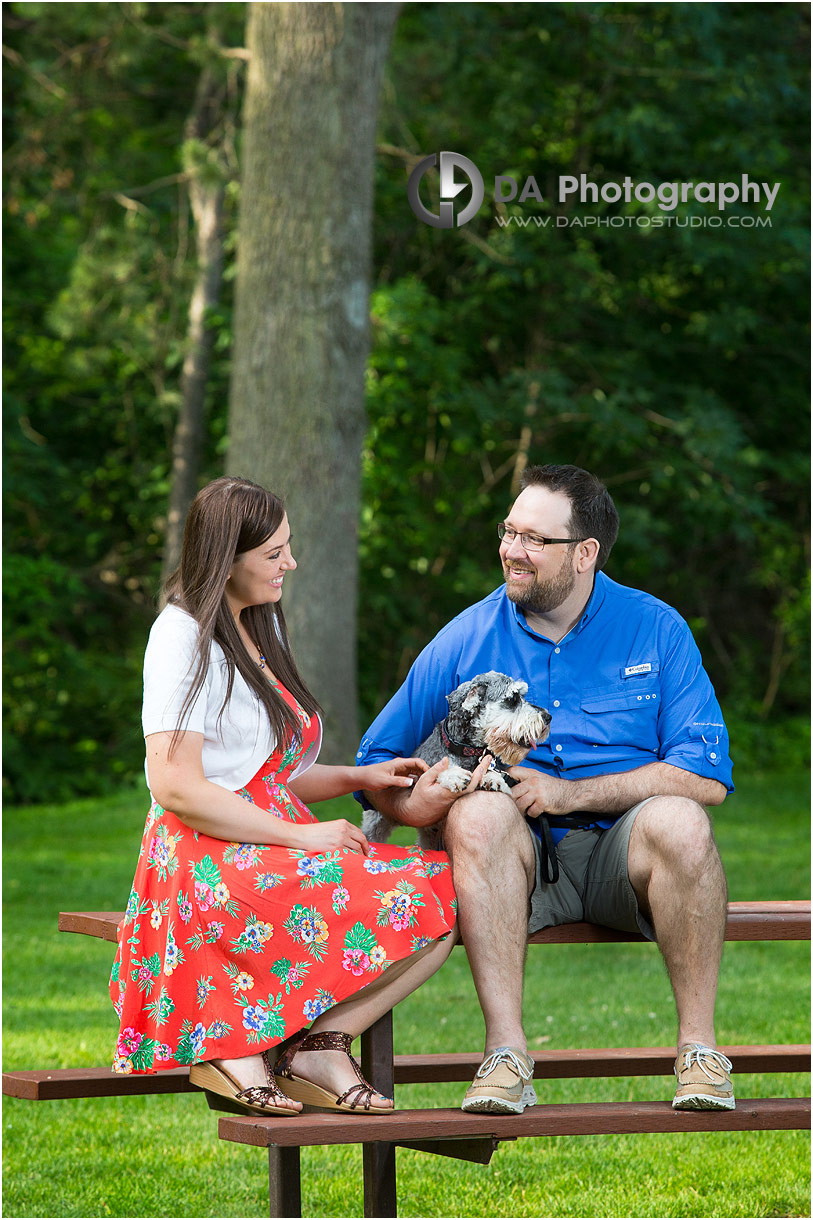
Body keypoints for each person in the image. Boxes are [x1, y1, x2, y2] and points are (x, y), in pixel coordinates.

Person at [356, 463, 735, 1116]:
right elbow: (376, 766)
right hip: (513, 860)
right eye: (508, 532)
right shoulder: (467, 635)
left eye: (534, 539)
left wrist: (566, 794)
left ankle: (699, 1054)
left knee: (680, 819)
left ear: (584, 553)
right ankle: (506, 1057)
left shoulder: (655, 628)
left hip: (628, 852)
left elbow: (703, 778)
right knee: (477, 818)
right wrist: (426, 801)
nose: (511, 550)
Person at [110, 476, 485, 1117]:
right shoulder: (181, 635)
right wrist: (303, 835)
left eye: (289, 546)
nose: (291, 562)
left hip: (263, 829)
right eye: (273, 553)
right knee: (396, 893)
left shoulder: (257, 628)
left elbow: (264, 774)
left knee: (448, 894)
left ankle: (320, 1045)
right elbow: (177, 786)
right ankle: (229, 1044)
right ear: (226, 558)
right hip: (205, 848)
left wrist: (358, 778)